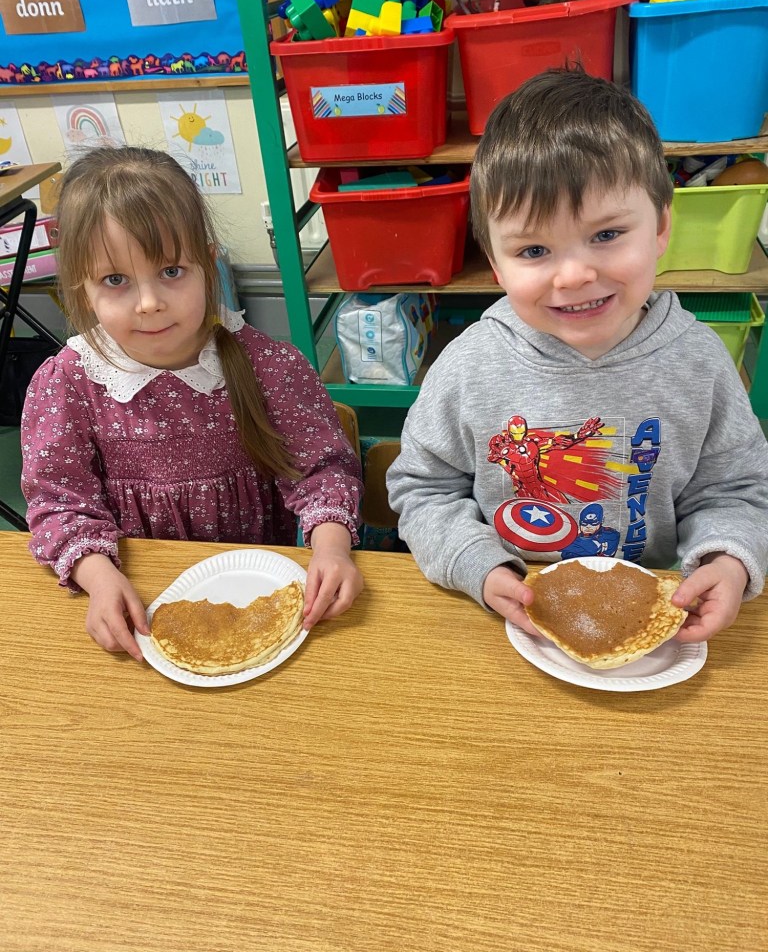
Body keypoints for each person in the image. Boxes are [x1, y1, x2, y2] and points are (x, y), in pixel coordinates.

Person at [387, 66, 768, 644]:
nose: (574, 276)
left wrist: (730, 559)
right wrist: (477, 564)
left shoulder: (700, 362)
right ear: (495, 265)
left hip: (653, 624)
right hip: (503, 620)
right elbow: (423, 489)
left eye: (606, 235)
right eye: (533, 250)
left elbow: (735, 490)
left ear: (661, 228)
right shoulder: (468, 366)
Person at [21, 146, 363, 661]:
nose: (149, 303)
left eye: (171, 271)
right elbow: (58, 502)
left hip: (261, 592)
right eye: (115, 280)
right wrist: (98, 578)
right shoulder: (67, 384)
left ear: (207, 261)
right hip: (141, 591)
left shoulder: (267, 364)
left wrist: (333, 548)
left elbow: (322, 472)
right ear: (82, 287)